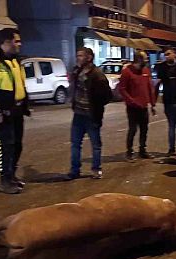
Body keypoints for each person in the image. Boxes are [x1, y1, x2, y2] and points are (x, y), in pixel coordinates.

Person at [0, 28, 30, 194]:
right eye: (16, 41)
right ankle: (4, 180)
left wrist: (25, 105)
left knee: (17, 145)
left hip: (16, 111)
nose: (19, 44)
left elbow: (20, 84)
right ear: (5, 42)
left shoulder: (15, 60)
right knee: (3, 147)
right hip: (1, 114)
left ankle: (11, 175)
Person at [67, 47, 112, 180]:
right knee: (75, 144)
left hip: (91, 116)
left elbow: (107, 96)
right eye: (77, 55)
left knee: (95, 144)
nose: (78, 58)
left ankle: (96, 169)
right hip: (78, 114)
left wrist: (97, 106)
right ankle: (74, 171)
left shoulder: (97, 74)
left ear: (89, 57)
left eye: (81, 55)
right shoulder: (77, 71)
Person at [118, 51, 156, 161]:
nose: (147, 60)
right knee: (133, 129)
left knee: (144, 129)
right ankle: (129, 152)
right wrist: (132, 101)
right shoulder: (127, 72)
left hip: (144, 107)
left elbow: (150, 88)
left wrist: (152, 104)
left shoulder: (145, 71)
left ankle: (142, 150)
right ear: (138, 59)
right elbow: (122, 89)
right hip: (133, 107)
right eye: (145, 59)